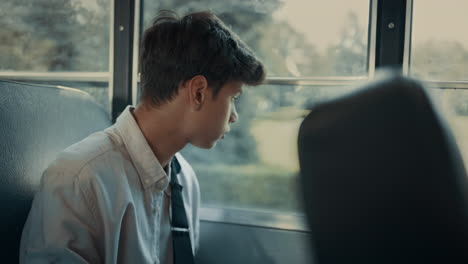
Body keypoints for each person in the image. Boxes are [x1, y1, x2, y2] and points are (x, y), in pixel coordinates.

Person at [20, 10, 265, 264]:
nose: (234, 116)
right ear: (199, 92)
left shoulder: (186, 180)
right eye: (233, 98)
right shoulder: (79, 179)